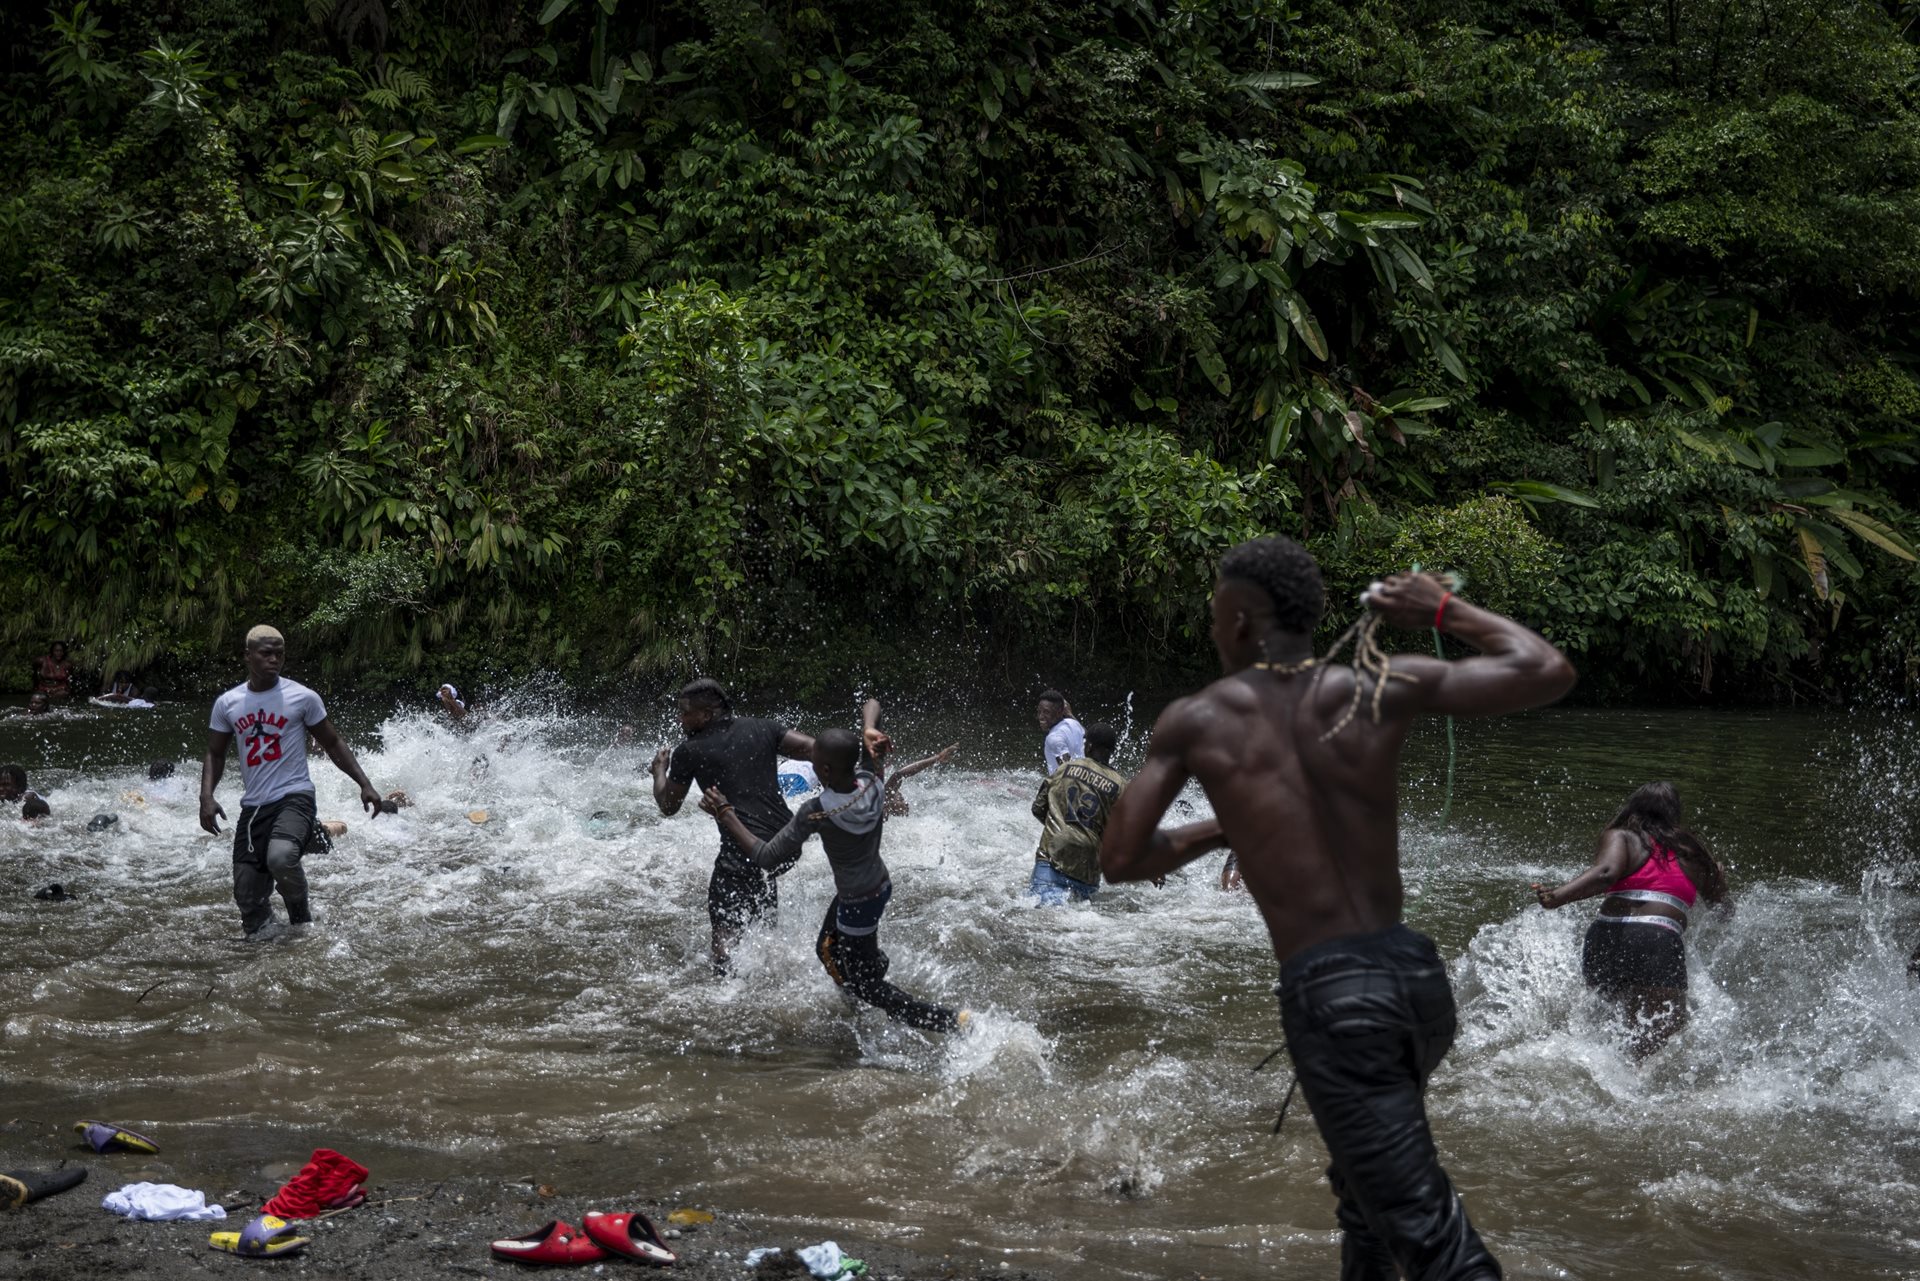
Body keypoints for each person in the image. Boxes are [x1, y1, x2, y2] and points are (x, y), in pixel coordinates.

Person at [1100, 537, 1576, 1281]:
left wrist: (1222, 826)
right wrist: (1444, 609)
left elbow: (1122, 856)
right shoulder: (1376, 686)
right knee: (1368, 1205)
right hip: (1417, 984)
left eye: (1217, 612)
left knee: (1436, 1244)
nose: (1213, 627)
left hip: (1336, 1002)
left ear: (1242, 621)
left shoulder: (1196, 720)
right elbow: (1545, 669)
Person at [698, 716, 966, 1033]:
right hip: (877, 886)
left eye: (814, 760)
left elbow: (766, 856)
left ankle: (948, 1020)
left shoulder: (816, 811)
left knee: (867, 986)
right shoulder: (873, 781)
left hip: (857, 902)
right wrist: (870, 726)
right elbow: (874, 716)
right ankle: (865, 976)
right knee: (826, 950)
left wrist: (727, 814)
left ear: (823, 771)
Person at [199, 625, 386, 941]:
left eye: (279, 653)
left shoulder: (302, 697)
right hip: (255, 806)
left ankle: (301, 923)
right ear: (248, 656)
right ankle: (267, 940)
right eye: (266, 653)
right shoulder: (228, 703)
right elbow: (215, 753)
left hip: (295, 796)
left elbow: (333, 742)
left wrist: (364, 783)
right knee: (246, 894)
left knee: (281, 858)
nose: (274, 659)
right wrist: (206, 796)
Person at [1532, 782, 1730, 1060]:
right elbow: (1724, 910)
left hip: (1605, 936)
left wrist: (1557, 896)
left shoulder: (1622, 837)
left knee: (1602, 1026)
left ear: (1632, 808)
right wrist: (1715, 875)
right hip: (1656, 939)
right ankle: (1630, 1093)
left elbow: (1605, 872)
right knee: (1657, 1038)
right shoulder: (1692, 851)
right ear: (1675, 814)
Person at [652, 678, 815, 971]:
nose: (680, 718)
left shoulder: (690, 750)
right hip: (785, 844)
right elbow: (816, 749)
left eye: (685, 712)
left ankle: (724, 989)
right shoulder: (764, 727)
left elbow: (668, 806)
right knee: (761, 909)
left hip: (742, 852)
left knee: (723, 942)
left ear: (706, 715)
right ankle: (768, 974)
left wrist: (659, 772)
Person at [1028, 721, 1126, 904]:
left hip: (1054, 855)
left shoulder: (1064, 769)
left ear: (1088, 746)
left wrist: (1060, 824)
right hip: (1088, 867)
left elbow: (1038, 807)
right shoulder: (1121, 786)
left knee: (1038, 915)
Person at [1035, 690, 1084, 775]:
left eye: (1046, 712)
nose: (1040, 716)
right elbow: (1090, 739)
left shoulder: (1054, 738)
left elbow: (1069, 772)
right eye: (1039, 711)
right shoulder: (1073, 723)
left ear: (1059, 713)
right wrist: (1069, 714)